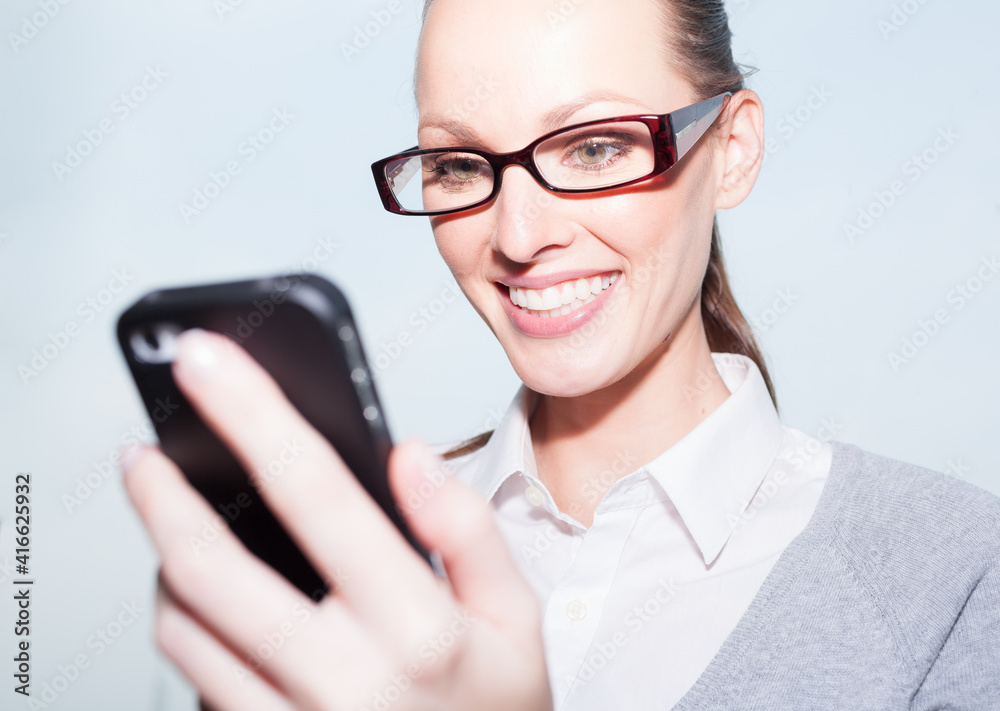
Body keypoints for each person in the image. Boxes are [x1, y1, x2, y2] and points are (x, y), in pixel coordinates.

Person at [122, 0, 1000, 709]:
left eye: (595, 147)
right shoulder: (354, 571)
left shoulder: (953, 573)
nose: (519, 234)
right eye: (459, 164)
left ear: (731, 151)